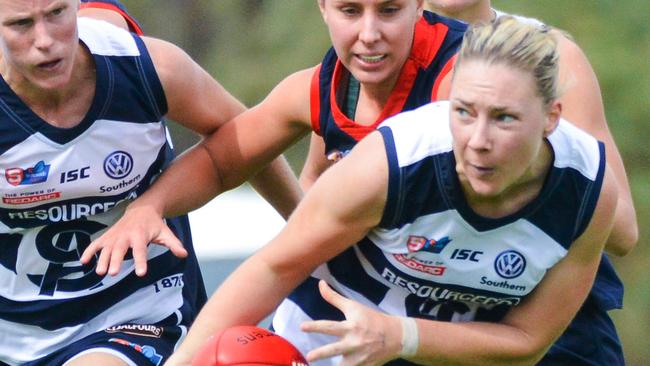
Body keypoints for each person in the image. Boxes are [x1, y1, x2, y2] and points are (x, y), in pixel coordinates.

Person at [165, 17, 619, 365]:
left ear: (552, 117)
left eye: (504, 118)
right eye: (463, 111)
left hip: (444, 349)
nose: (478, 140)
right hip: (330, 336)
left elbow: (527, 341)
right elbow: (275, 265)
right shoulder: (395, 161)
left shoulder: (588, 192)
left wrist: (401, 336)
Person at [0, 0, 301, 364]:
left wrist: (310, 239)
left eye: (56, 14)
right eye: (21, 25)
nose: (45, 40)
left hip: (136, 315)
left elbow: (248, 138)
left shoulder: (146, 69)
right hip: (15, 333)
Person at [81, 0, 467, 277]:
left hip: (479, 294)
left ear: (420, 6)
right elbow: (221, 161)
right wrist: (149, 207)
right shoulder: (320, 89)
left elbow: (524, 336)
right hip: (387, 293)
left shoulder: (469, 83)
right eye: (350, 10)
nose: (369, 34)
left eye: (389, 10)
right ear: (323, 8)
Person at [424, 3, 638, 365]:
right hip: (414, 326)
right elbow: (319, 188)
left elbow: (621, 230)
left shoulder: (547, 54)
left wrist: (522, 158)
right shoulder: (373, 52)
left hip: (555, 334)